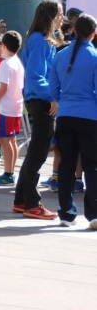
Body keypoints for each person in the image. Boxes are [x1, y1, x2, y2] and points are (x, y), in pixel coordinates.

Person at [12, 0, 64, 220]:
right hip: (41, 101)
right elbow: (35, 76)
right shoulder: (40, 41)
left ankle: (21, 200)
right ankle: (32, 203)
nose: (62, 18)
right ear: (50, 15)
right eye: (60, 13)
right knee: (38, 153)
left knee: (36, 151)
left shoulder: (41, 39)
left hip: (40, 100)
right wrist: (52, 97)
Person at [48, 13, 97, 230]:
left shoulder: (60, 54)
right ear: (94, 33)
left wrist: (64, 99)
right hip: (89, 116)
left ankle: (66, 214)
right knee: (92, 166)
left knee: (66, 164)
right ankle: (94, 215)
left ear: (74, 30)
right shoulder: (95, 56)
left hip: (65, 116)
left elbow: (52, 89)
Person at [0, 31, 26, 190]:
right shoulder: (17, 62)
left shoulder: (6, 63)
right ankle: (10, 172)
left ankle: (8, 174)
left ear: (3, 46)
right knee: (11, 140)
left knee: (5, 140)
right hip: (16, 106)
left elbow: (3, 86)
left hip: (6, 107)